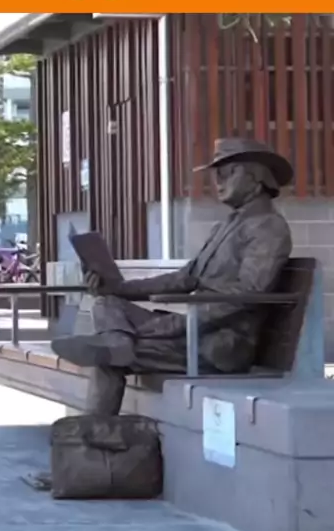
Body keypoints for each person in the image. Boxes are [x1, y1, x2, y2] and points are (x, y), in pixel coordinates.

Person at [52, 137, 294, 416]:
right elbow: (183, 279)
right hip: (193, 331)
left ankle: (95, 425)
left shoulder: (268, 227)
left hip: (219, 345)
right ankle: (117, 342)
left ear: (257, 177)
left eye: (227, 172)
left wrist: (178, 325)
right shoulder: (225, 227)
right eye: (216, 174)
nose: (218, 181)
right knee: (107, 303)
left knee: (106, 358)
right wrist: (117, 287)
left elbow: (248, 295)